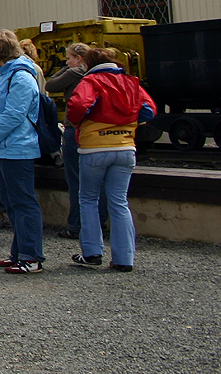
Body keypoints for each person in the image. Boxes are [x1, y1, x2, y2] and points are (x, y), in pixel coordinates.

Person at [66, 47, 156, 272]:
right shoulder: (130, 82)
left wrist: (78, 121)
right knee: (119, 202)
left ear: (88, 64)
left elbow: (78, 105)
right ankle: (125, 258)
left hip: (94, 148)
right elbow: (149, 110)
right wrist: (128, 120)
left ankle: (92, 252)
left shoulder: (91, 81)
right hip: (126, 147)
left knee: (88, 199)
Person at [0, 30, 45, 274]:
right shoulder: (4, 76)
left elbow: (14, 114)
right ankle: (19, 252)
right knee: (12, 202)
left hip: (17, 148)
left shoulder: (21, 77)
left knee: (23, 202)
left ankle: (31, 255)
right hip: (2, 148)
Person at [46, 42, 104, 240]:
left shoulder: (74, 73)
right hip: (96, 130)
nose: (67, 62)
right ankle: (100, 221)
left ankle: (75, 225)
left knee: (75, 178)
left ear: (79, 59)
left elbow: (51, 84)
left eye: (69, 58)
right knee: (99, 181)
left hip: (74, 128)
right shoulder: (97, 74)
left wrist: (65, 69)